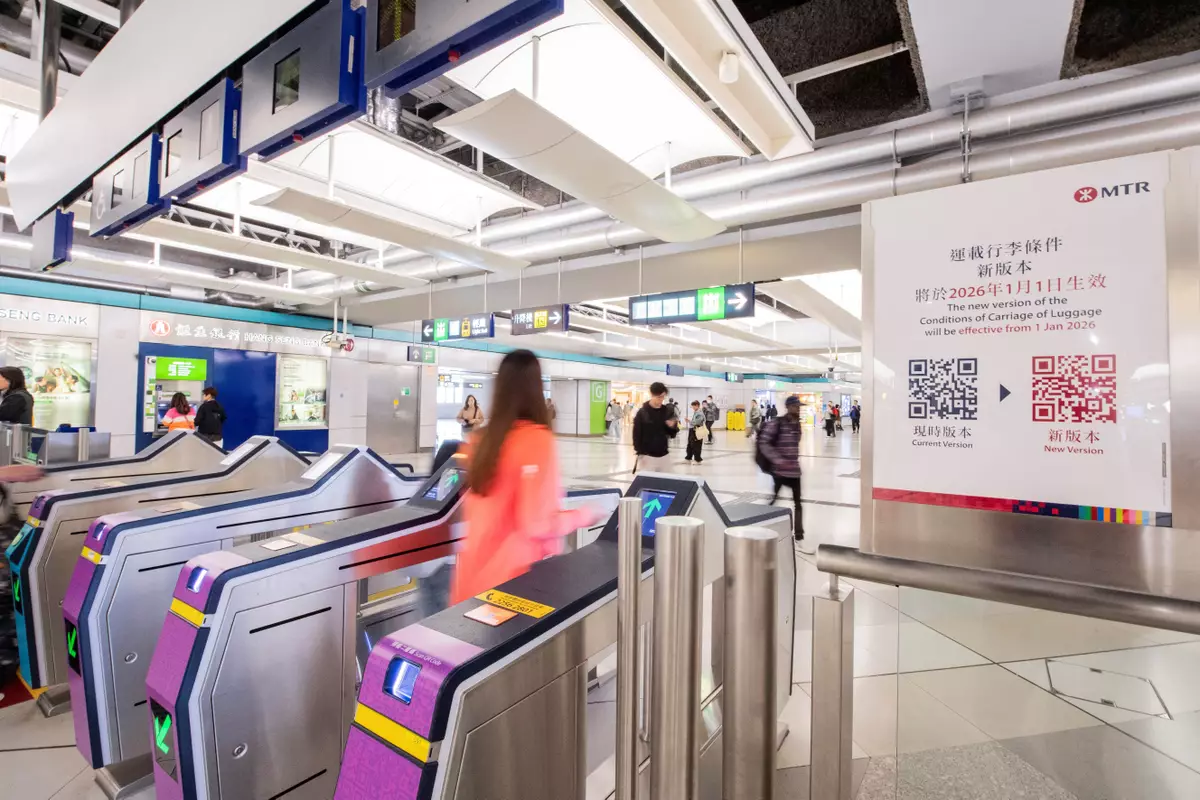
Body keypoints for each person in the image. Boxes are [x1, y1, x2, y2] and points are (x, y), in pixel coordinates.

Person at [452, 350, 601, 604]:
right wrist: (584, 515)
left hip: (470, 579)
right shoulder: (536, 439)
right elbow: (536, 524)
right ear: (535, 387)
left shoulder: (478, 440)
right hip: (512, 587)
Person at [760, 395, 807, 550]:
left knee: (798, 504)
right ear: (788, 407)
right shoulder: (778, 423)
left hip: (795, 471)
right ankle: (762, 524)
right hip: (780, 471)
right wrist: (778, 460)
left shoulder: (797, 424)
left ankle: (799, 537)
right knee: (774, 500)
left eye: (799, 407)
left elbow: (796, 443)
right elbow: (764, 442)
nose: (798, 409)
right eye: (796, 406)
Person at [632, 382, 677, 473]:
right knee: (649, 480)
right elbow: (636, 434)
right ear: (652, 395)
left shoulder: (666, 411)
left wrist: (672, 427)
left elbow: (672, 434)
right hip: (647, 456)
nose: (661, 399)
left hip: (664, 454)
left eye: (663, 397)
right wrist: (640, 453)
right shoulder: (642, 412)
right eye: (659, 397)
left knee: (668, 479)